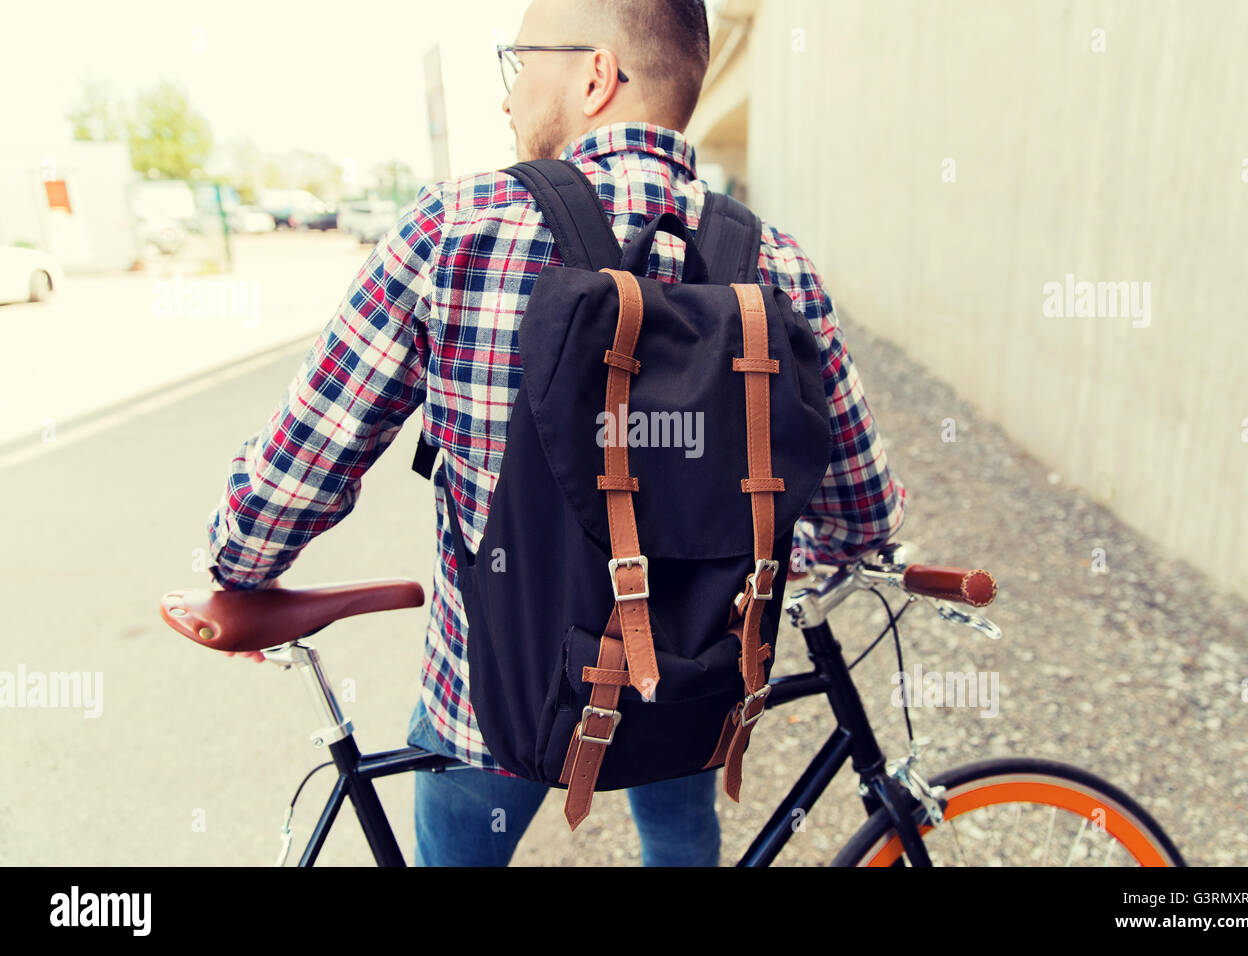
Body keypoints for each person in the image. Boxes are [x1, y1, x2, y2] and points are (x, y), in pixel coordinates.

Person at [205, 0, 906, 866]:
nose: (507, 98)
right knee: (682, 832)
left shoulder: (456, 229)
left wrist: (237, 571)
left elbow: (307, 459)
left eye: (518, 60)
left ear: (595, 74)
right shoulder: (778, 265)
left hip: (495, 696)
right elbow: (863, 510)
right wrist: (804, 560)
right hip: (687, 675)